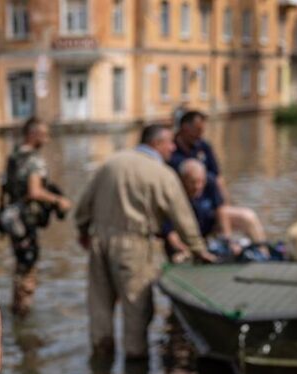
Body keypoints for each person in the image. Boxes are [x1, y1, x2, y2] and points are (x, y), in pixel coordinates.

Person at [74, 124, 209, 360]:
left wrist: (84, 231)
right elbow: (183, 218)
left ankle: (101, 357)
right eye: (169, 143)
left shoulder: (111, 163)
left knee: (100, 306)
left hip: (99, 242)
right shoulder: (162, 173)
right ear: (157, 143)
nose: (173, 147)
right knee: (136, 309)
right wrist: (199, 250)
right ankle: (135, 367)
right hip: (134, 244)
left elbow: (83, 206)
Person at [0, 117, 71, 316]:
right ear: (33, 135)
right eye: (44, 135)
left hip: (12, 220)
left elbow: (5, 188)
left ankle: (16, 308)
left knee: (20, 265)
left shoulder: (14, 155)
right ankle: (24, 313)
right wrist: (59, 201)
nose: (47, 140)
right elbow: (35, 191)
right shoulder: (34, 159)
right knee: (28, 268)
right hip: (25, 221)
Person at [169, 110, 266, 243]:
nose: (201, 134)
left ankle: (262, 251)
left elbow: (218, 178)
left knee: (248, 217)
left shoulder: (203, 147)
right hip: (183, 209)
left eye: (202, 130)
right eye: (198, 130)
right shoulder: (170, 150)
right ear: (185, 127)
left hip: (209, 206)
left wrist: (224, 204)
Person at [166, 158, 270, 259]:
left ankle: (263, 253)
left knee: (247, 216)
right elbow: (170, 231)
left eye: (201, 182)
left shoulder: (210, 182)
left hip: (209, 228)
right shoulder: (173, 193)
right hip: (186, 237)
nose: (197, 186)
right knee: (180, 256)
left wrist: (227, 241)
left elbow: (221, 210)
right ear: (183, 180)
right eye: (193, 182)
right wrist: (183, 248)